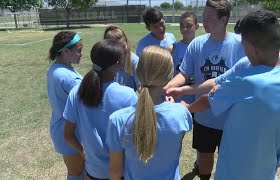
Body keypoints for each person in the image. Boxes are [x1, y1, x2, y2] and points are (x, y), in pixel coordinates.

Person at [194, 10, 280, 180]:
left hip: (232, 173)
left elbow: (206, 101)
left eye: (244, 45)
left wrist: (186, 107)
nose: (243, 50)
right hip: (267, 172)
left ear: (254, 49)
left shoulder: (246, 82)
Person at [164, 0, 245, 179]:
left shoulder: (239, 45)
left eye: (209, 17)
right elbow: (184, 73)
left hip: (231, 117)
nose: (205, 21)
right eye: (204, 16)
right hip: (204, 115)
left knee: (228, 159)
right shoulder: (197, 44)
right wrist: (170, 86)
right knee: (205, 157)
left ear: (224, 19)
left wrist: (185, 90)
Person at [106, 46, 193, 180]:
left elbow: (115, 173)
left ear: (139, 73)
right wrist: (172, 108)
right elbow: (175, 149)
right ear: (169, 76)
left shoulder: (117, 120)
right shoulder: (181, 114)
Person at [63, 39, 138, 179]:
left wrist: (82, 151)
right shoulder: (128, 96)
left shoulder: (76, 92)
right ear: (116, 65)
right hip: (122, 171)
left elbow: (68, 135)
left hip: (93, 171)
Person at [46, 31, 85, 180]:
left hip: (61, 128)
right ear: (66, 51)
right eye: (79, 50)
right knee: (76, 173)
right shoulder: (68, 77)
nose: (81, 53)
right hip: (71, 132)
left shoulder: (56, 68)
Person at [168, 11, 199, 105]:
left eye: (189, 25)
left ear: (196, 27)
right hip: (178, 98)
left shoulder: (202, 47)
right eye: (182, 25)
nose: (185, 28)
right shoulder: (173, 48)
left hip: (197, 98)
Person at [104, 25, 140, 91]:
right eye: (117, 48)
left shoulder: (134, 61)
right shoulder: (104, 61)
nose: (121, 51)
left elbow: (140, 87)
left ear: (126, 41)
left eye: (123, 46)